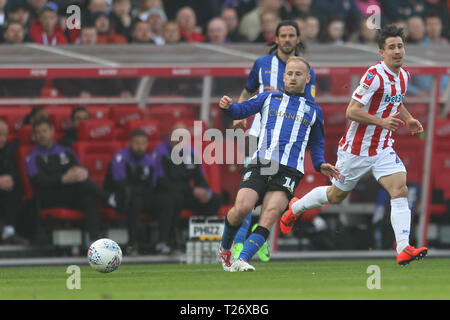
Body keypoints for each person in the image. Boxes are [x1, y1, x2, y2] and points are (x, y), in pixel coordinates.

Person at [280, 24, 428, 266]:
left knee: (399, 189)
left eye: (400, 46)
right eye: (391, 47)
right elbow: (352, 111)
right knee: (335, 195)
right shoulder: (374, 76)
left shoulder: (404, 76)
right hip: (356, 150)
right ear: (382, 52)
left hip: (382, 148)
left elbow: (395, 100)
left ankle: (403, 248)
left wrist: (409, 118)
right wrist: (381, 121)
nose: (397, 51)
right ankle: (294, 209)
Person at [218, 56, 340, 272]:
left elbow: (317, 142)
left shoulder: (313, 111)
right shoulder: (268, 97)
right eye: (290, 74)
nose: (293, 78)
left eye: (298, 74)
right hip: (260, 163)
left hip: (290, 170)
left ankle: (242, 259)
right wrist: (228, 108)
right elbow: (241, 110)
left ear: (308, 78)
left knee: (270, 213)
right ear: (284, 76)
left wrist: (320, 164)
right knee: (242, 208)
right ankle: (225, 248)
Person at [231, 20, 317, 262]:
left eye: (292, 35)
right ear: (276, 39)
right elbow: (247, 92)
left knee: (273, 195)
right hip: (258, 135)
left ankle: (258, 241)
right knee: (248, 192)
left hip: (286, 141)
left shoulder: (306, 70)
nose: (287, 39)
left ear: (298, 39)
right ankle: (238, 243)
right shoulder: (261, 64)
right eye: (283, 35)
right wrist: (240, 113)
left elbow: (310, 103)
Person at [25, 118, 114, 244]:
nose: (41, 135)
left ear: (52, 131)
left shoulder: (65, 151)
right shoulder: (32, 157)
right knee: (83, 185)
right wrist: (63, 179)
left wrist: (83, 172)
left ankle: (94, 241)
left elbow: (78, 168)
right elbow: (38, 181)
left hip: (71, 194)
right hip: (49, 197)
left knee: (89, 197)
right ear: (34, 136)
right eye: (38, 132)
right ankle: (108, 198)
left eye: (44, 131)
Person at [104, 129, 180, 254]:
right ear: (130, 143)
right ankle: (132, 244)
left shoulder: (150, 161)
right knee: (135, 202)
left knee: (167, 200)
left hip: (144, 196)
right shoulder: (120, 158)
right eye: (136, 143)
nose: (140, 147)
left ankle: (163, 243)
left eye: (143, 143)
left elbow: (152, 184)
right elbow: (121, 184)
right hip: (124, 197)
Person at [152, 122, 222, 218]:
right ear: (170, 136)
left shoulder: (191, 152)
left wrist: (205, 192)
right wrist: (192, 190)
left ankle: (196, 229)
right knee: (174, 198)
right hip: (168, 194)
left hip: (186, 194)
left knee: (215, 199)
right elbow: (162, 183)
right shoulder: (160, 152)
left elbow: (199, 178)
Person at [0, 120, 28, 245]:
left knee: (17, 187)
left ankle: (8, 230)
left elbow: (14, 171)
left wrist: (9, 179)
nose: (2, 138)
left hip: (5, 190)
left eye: (4, 135)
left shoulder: (9, 148)